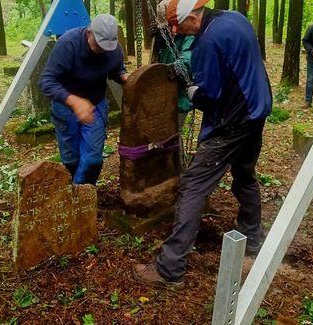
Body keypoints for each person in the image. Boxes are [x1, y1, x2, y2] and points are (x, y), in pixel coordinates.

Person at [134, 0, 272, 287]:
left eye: (176, 25)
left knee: (193, 186)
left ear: (192, 19)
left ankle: (169, 269)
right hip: (257, 111)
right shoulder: (236, 18)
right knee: (245, 175)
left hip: (231, 123)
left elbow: (210, 96)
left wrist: (194, 92)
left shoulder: (208, 42)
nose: (176, 31)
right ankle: (253, 237)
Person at [40, 14, 127, 185]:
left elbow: (116, 70)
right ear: (89, 33)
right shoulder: (68, 44)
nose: (102, 50)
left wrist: (124, 77)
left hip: (95, 104)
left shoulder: (114, 49)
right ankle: (76, 194)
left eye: (107, 47)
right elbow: (46, 81)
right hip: (66, 106)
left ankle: (82, 197)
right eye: (98, 45)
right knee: (71, 160)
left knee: (92, 160)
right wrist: (74, 101)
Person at [150, 0, 194, 132]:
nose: (172, 29)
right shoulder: (166, 35)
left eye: (173, 24)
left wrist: (177, 67)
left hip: (180, 97)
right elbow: (156, 60)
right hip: (164, 96)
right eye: (167, 26)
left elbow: (190, 56)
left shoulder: (189, 33)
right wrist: (158, 40)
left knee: (173, 136)